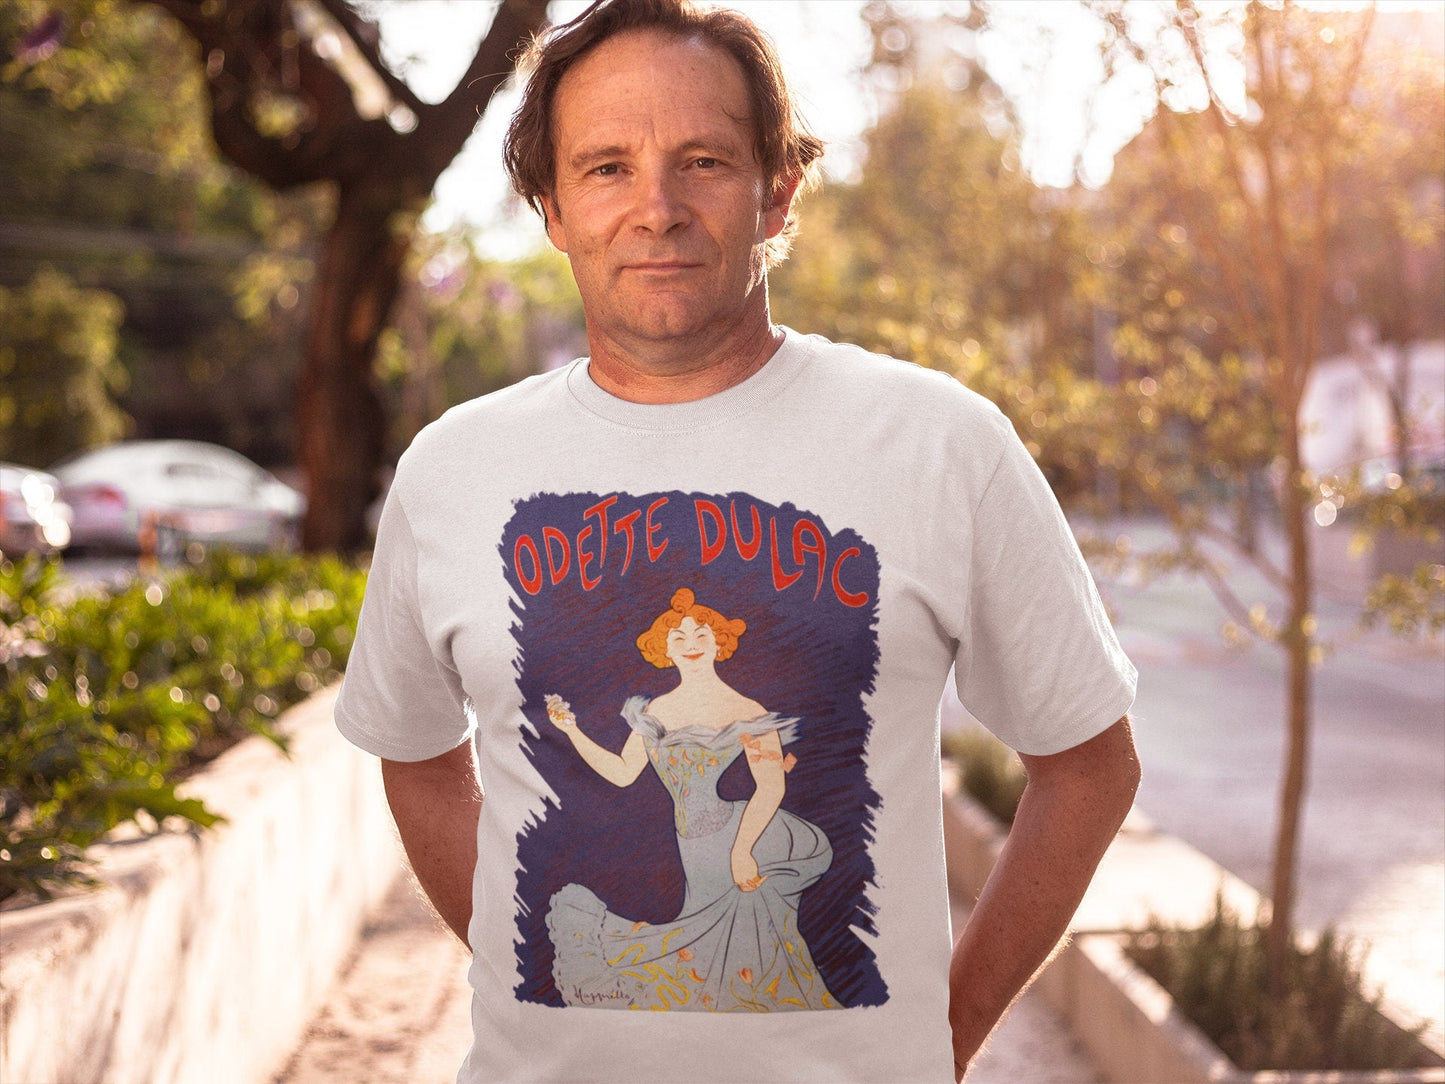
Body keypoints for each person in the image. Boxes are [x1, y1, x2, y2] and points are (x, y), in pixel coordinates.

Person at [334, 0, 1140, 1080]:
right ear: (551, 209)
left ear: (778, 189)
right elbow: (415, 752)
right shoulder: (450, 470)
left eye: (703, 161)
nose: (656, 209)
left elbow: (1087, 764)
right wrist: (522, 957)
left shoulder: (941, 444)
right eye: (607, 168)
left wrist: (944, 1034)